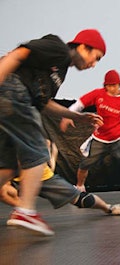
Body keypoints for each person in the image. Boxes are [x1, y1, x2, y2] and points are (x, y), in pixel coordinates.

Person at [0, 29, 106, 236]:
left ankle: (24, 209)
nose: (93, 65)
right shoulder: (58, 48)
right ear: (84, 46)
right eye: (96, 58)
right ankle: (25, 211)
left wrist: (77, 117)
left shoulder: (61, 70)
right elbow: (18, 54)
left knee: (10, 165)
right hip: (14, 92)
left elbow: (45, 103)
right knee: (38, 151)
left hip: (15, 101)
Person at [60, 69, 120, 202]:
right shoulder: (98, 94)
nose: (111, 88)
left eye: (114, 85)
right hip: (100, 138)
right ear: (105, 86)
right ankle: (80, 186)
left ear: (119, 85)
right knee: (84, 164)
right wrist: (68, 115)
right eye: (108, 86)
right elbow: (80, 103)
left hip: (119, 138)